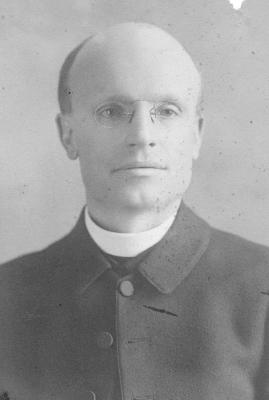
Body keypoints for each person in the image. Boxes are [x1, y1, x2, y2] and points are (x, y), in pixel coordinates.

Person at [0, 22, 268, 400]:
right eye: (112, 111)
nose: (142, 135)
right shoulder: (7, 296)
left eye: (167, 110)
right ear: (68, 134)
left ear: (196, 134)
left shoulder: (262, 290)